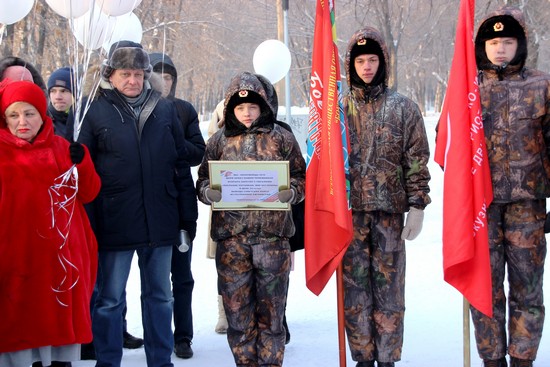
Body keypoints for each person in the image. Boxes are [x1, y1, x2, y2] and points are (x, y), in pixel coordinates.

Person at [75, 40, 193, 367]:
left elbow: (180, 165)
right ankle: (108, 361)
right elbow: (82, 169)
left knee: (160, 297)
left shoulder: (164, 108)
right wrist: (90, 220)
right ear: (110, 75)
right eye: (126, 73)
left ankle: (160, 361)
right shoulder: (94, 111)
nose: (133, 81)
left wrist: (187, 218)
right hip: (114, 221)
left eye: (139, 74)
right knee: (109, 300)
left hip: (161, 219)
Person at [196, 71, 306, 367]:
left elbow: (300, 175)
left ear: (264, 108)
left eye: (253, 107)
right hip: (232, 244)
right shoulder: (219, 141)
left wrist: (292, 192)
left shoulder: (281, 137)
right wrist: (209, 192)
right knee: (238, 315)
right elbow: (203, 178)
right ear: (231, 108)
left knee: (271, 316)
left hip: (272, 243)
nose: (247, 113)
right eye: (241, 107)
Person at [342, 27, 432, 367]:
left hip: (389, 215)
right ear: (352, 65)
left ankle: (387, 358)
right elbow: (323, 162)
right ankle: (363, 357)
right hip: (349, 216)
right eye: (361, 60)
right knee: (356, 293)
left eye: (373, 60)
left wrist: (417, 205)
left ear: (383, 62)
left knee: (389, 292)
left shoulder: (403, 107)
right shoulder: (338, 109)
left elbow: (416, 159)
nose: (367, 67)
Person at [0, 80, 100, 367]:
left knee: (56, 327)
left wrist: (83, 163)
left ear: (42, 114)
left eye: (29, 113)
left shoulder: (61, 147)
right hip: (15, 257)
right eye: (14, 115)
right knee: (17, 326)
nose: (22, 122)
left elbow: (90, 192)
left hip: (58, 261)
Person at [470, 6, 550, 367]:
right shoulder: (467, 90)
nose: (499, 49)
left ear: (520, 44)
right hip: (480, 209)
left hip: (527, 208)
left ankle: (522, 358)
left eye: (507, 41)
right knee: (484, 291)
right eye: (493, 42)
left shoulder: (542, 85)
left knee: (527, 291)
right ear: (481, 47)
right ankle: (492, 359)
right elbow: (448, 145)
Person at [149, 52, 206, 359]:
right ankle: (148, 334)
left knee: (181, 275)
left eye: (168, 77)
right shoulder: (135, 110)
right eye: (157, 76)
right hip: (144, 205)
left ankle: (182, 335)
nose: (163, 82)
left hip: (180, 205)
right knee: (148, 279)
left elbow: (198, 152)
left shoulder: (183, 110)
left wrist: (174, 142)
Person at [47, 67, 75, 138]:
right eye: (53, 91)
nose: (58, 97)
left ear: (75, 94)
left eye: (63, 91)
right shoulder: (43, 122)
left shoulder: (85, 121)